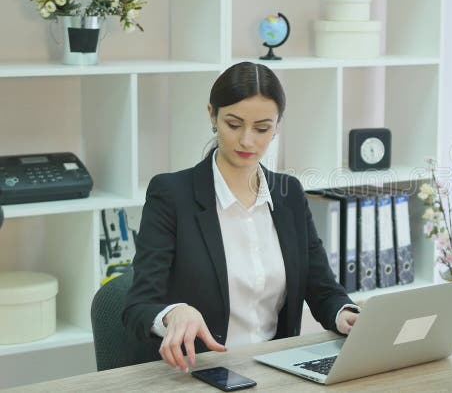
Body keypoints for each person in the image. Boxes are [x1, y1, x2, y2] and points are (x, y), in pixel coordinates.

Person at [123, 61, 359, 371]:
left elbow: (322, 289)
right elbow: (138, 305)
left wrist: (346, 315)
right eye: (233, 124)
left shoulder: (288, 193)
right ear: (212, 115)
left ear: (276, 126)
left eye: (262, 128)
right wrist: (173, 312)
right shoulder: (171, 194)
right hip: (199, 372)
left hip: (276, 371)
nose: (247, 141)